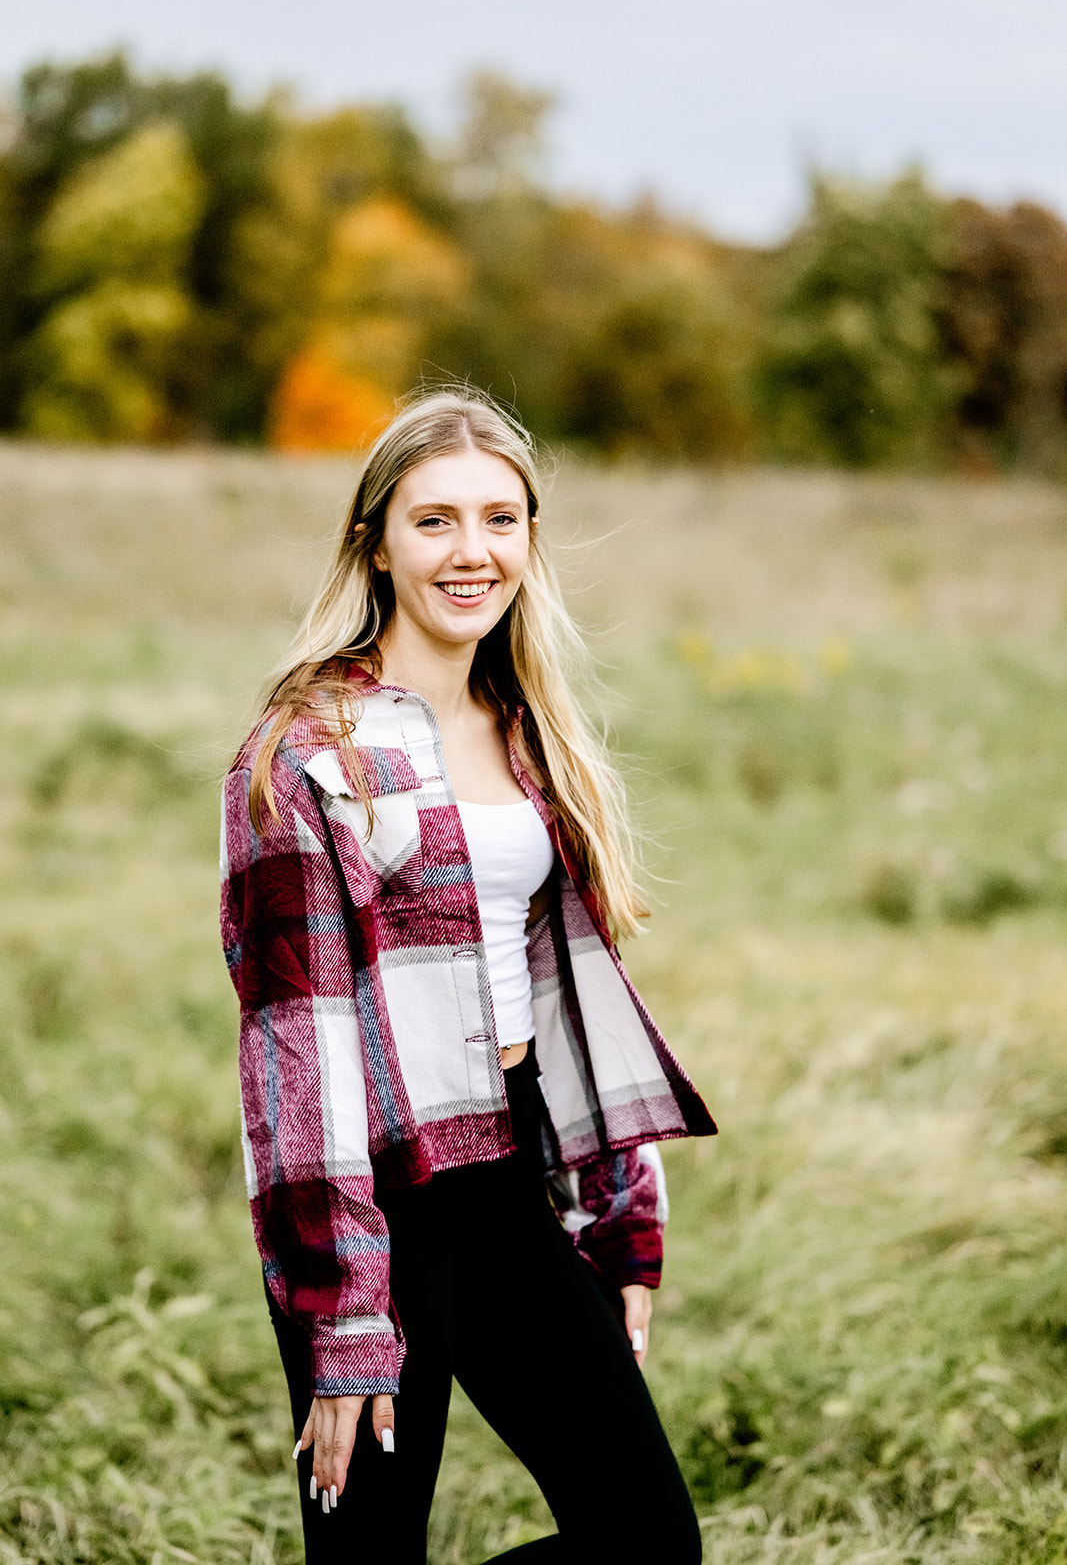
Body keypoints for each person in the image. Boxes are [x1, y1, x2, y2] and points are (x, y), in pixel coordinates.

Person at [220, 388, 716, 1563]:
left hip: (503, 1176)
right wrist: (344, 1321)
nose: (470, 551)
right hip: (374, 1208)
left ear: (528, 540)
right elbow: (295, 1051)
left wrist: (618, 1221)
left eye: (500, 519)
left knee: (647, 1540)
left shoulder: (529, 730)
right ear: (374, 541)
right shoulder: (306, 752)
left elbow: (572, 991)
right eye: (434, 520)